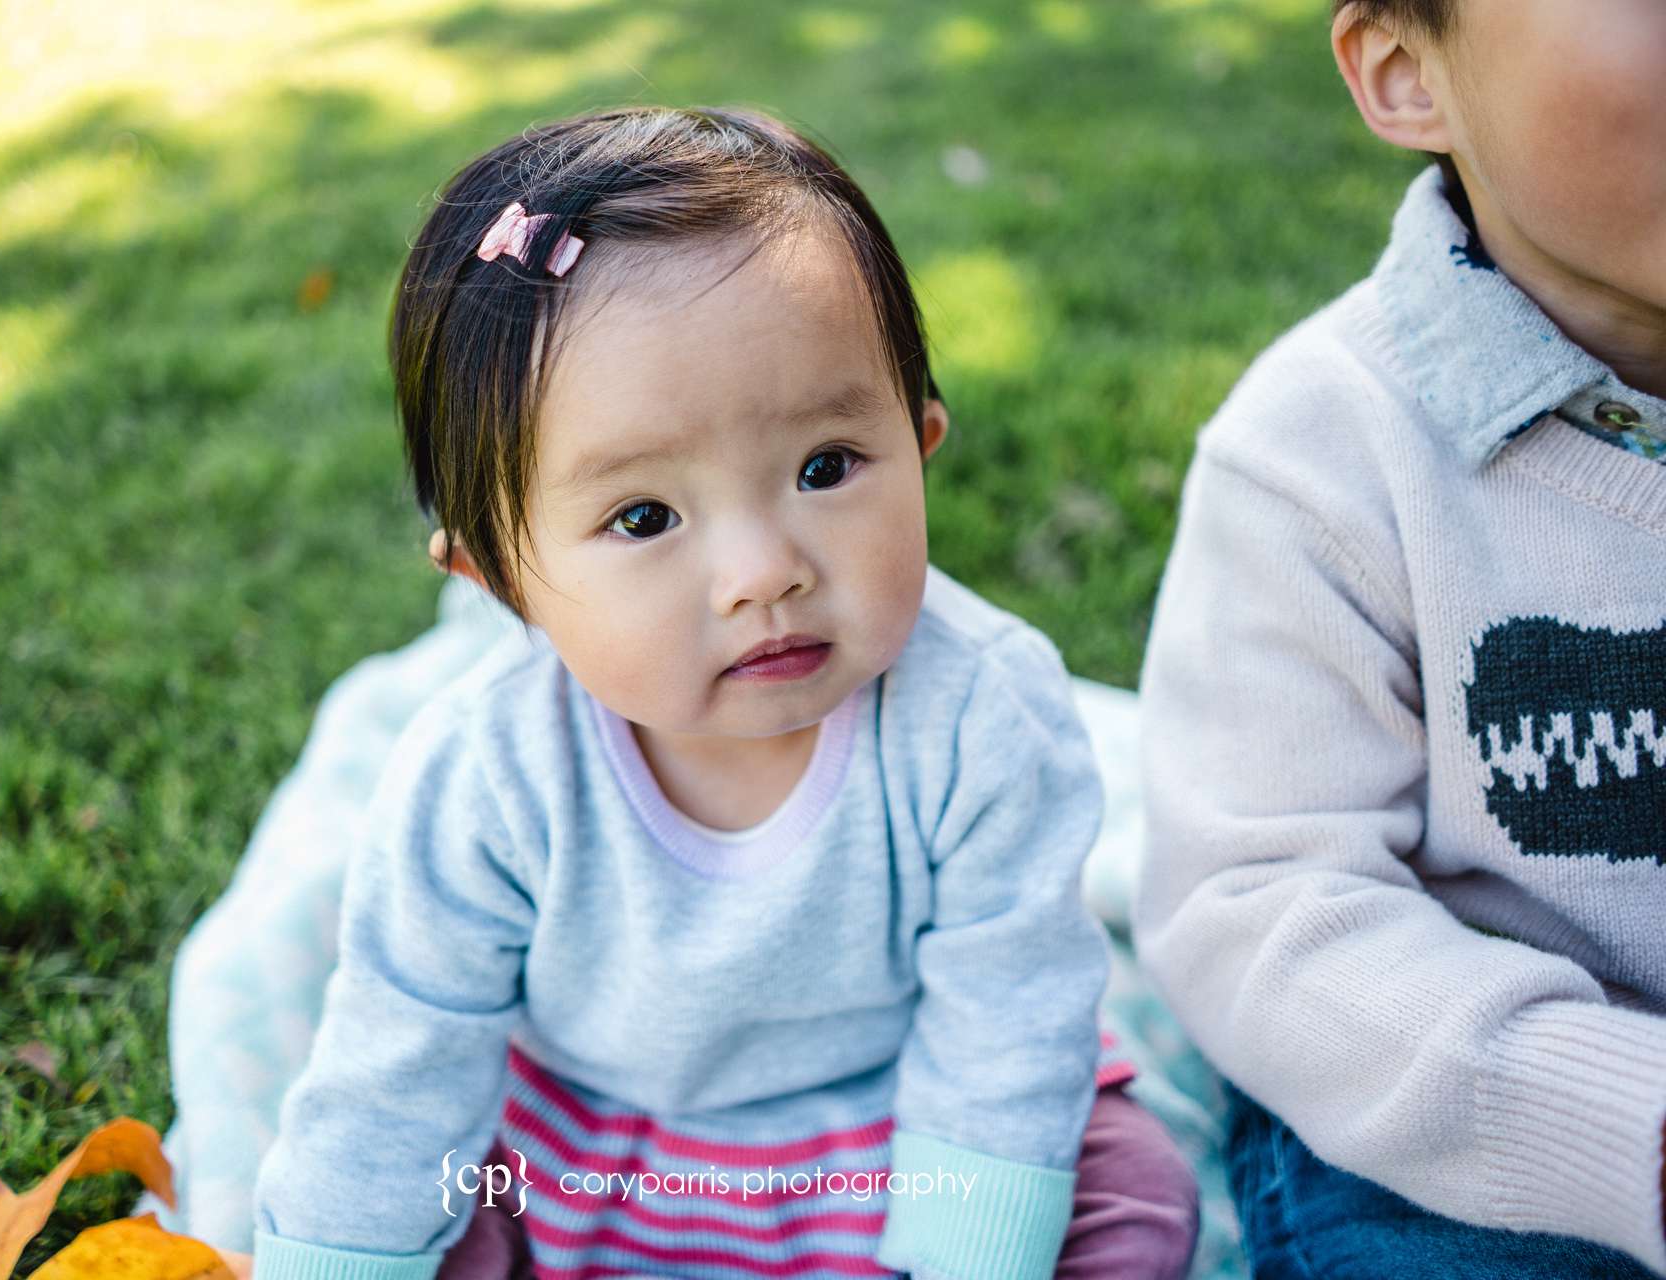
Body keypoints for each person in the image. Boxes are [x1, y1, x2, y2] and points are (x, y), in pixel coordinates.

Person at [198, 106, 1202, 1280]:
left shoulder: (981, 715)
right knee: (434, 1216)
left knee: (1129, 1198)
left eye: (825, 468)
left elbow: (1009, 1017)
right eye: (643, 517)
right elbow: (399, 1064)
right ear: (498, 578)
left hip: (909, 1121)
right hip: (574, 1141)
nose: (763, 569)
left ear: (922, 440)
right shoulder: (487, 774)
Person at [1133, 1, 1666, 1276]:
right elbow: (1258, 909)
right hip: (1474, 1128)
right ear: (1407, 72)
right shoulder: (1321, 453)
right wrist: (1630, 1124)